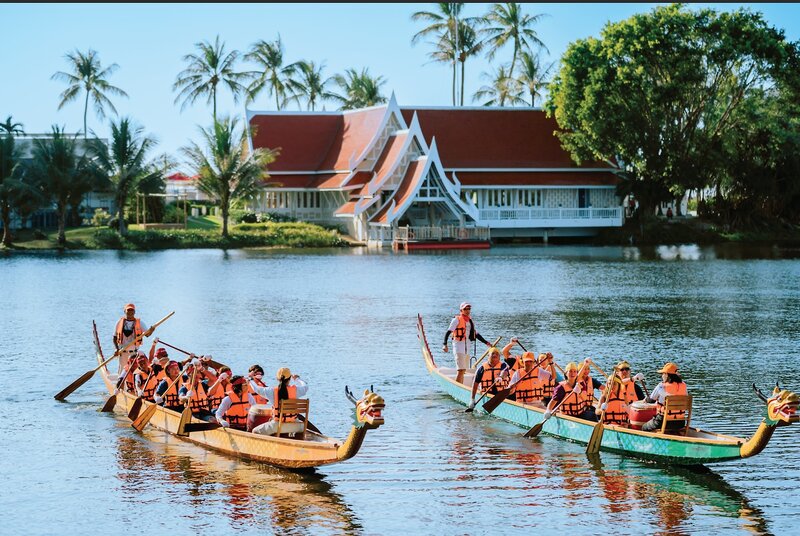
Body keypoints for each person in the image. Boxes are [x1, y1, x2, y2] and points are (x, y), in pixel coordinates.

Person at [248, 367, 309, 436]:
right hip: (296, 426)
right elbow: (305, 386)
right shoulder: (296, 390)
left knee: (255, 431)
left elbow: (257, 389)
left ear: (277, 379)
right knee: (300, 426)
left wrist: (250, 379)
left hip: (277, 426)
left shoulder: (271, 391)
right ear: (289, 379)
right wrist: (297, 379)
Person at [442, 302, 491, 385]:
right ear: (461, 310)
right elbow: (448, 332)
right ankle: (457, 388)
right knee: (460, 370)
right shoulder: (456, 320)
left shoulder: (470, 321)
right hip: (458, 347)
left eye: (469, 309)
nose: (467, 310)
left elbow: (476, 334)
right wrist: (445, 344)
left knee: (464, 370)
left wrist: (486, 342)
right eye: (465, 309)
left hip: (467, 348)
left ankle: (460, 386)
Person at [641, 362, 689, 432]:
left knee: (644, 427)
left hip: (663, 421)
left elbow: (651, 400)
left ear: (666, 374)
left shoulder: (661, 386)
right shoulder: (684, 385)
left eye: (663, 374)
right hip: (680, 422)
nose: (662, 376)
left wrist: (645, 400)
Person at [599, 360, 645, 426]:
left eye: (627, 369)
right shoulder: (609, 391)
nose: (624, 371)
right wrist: (633, 378)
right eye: (622, 369)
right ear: (617, 373)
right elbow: (622, 382)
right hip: (610, 423)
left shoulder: (636, 388)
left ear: (630, 371)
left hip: (630, 419)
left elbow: (643, 403)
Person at [113, 303, 153, 374]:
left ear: (134, 312)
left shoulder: (140, 323)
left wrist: (151, 330)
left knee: (134, 371)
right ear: (125, 311)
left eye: (132, 310)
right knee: (122, 372)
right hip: (123, 352)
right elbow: (114, 337)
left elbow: (147, 335)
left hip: (134, 353)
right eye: (128, 310)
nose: (130, 312)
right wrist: (116, 349)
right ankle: (121, 381)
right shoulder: (119, 322)